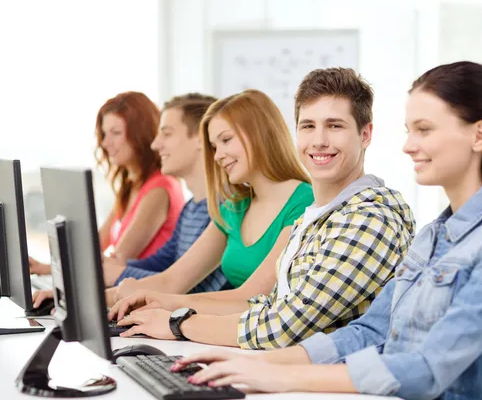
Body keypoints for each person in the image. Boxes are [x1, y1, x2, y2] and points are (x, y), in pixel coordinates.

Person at [170, 61, 482, 400]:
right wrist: (253, 363)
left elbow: (428, 369)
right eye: (409, 130)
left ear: (479, 135)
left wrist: (279, 375)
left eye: (424, 130)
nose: (408, 145)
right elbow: (369, 332)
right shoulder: (436, 234)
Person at [110, 68, 415, 350]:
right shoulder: (316, 218)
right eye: (308, 126)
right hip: (286, 369)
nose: (319, 140)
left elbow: (284, 325)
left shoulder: (370, 217)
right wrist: (161, 303)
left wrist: (178, 321)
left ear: (365, 134)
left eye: (334, 126)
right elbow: (266, 304)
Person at [29, 91, 185, 276]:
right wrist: (47, 268)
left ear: (141, 134)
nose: (105, 142)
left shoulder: (159, 189)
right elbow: (95, 247)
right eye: (104, 133)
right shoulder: (131, 186)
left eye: (116, 133)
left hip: (138, 295)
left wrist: (52, 271)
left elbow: (117, 259)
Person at [102, 93, 229, 290]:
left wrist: (120, 274)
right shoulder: (191, 208)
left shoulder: (225, 210)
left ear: (201, 138)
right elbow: (164, 263)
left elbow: (189, 288)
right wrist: (118, 268)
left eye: (167, 134)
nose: (155, 144)